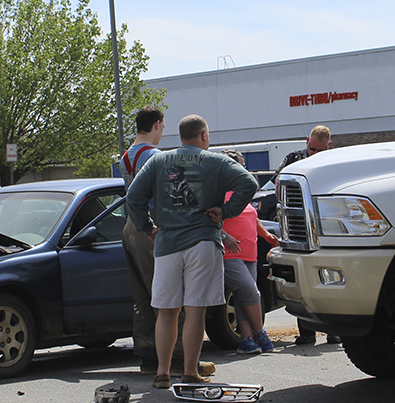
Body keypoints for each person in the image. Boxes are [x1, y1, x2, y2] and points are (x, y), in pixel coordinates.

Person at [126, 115, 257, 389]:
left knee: (166, 311)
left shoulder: (158, 161)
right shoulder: (218, 161)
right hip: (203, 242)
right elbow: (249, 184)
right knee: (195, 311)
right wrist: (226, 211)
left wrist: (147, 228)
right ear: (204, 136)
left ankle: (162, 372)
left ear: (181, 135)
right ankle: (189, 372)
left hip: (166, 244)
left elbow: (133, 196)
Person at [121, 107, 215, 378]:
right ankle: (182, 360)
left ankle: (148, 356)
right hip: (151, 226)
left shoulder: (126, 156)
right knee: (170, 297)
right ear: (158, 125)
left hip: (130, 226)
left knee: (144, 297)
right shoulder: (155, 156)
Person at [278, 125, 340, 345]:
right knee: (302, 283)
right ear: (307, 142)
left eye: (320, 151)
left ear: (329, 146)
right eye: (312, 149)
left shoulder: (335, 161)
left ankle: (334, 331)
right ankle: (306, 333)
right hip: (299, 229)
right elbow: (279, 185)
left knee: (332, 282)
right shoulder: (294, 159)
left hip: (326, 229)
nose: (315, 154)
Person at [220, 149, 279, 355]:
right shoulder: (217, 192)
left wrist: (266, 236)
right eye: (241, 166)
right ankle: (260, 331)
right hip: (229, 252)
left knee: (242, 295)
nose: (245, 170)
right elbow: (209, 218)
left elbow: (253, 218)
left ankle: (246, 340)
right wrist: (224, 236)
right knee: (251, 292)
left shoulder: (243, 191)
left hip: (249, 251)